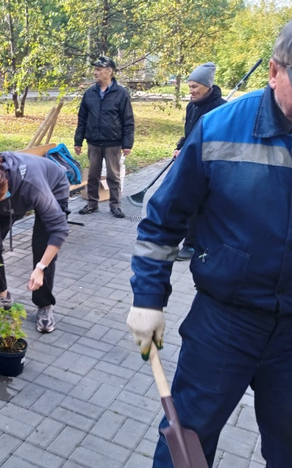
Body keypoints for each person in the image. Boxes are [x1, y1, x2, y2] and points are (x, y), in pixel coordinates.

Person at [127, 20, 292, 468]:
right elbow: (162, 221)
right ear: (275, 71)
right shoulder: (219, 130)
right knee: (187, 443)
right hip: (225, 323)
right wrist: (147, 300)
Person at [0, 152, 70, 333]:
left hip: (53, 187)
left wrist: (40, 268)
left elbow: (59, 230)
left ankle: (44, 304)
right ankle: (1, 295)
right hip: (5, 195)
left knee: (42, 243)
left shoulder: (33, 186)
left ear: (5, 192)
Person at [173, 62, 227, 261]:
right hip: (191, 163)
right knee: (187, 202)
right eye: (189, 87)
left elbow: (220, 141)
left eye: (195, 87)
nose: (191, 91)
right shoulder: (191, 106)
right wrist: (180, 147)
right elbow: (190, 134)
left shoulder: (220, 108)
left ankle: (191, 245)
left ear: (208, 86)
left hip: (210, 165)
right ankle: (185, 240)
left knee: (202, 206)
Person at [74, 56, 134, 219]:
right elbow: (82, 119)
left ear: (109, 71)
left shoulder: (121, 93)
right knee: (93, 174)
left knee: (113, 175)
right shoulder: (89, 93)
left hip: (113, 142)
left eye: (99, 70)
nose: (96, 72)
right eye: (95, 69)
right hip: (93, 141)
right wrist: (78, 141)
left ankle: (115, 205)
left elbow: (128, 120)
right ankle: (92, 203)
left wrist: (127, 144)